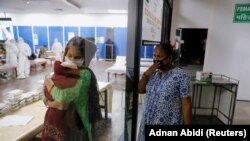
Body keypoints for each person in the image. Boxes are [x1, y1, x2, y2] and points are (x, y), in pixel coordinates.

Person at [42, 36, 102, 141]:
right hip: (61, 122)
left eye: (77, 57)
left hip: (76, 125)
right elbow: (49, 97)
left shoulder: (84, 74)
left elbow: (63, 99)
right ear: (65, 54)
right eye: (69, 55)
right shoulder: (65, 69)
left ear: (85, 58)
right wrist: (48, 101)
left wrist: (48, 83)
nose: (72, 60)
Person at [137, 43, 192, 141]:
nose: (156, 59)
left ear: (170, 58)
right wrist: (145, 75)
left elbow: (186, 104)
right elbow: (140, 90)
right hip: (147, 123)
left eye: (160, 56)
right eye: (154, 56)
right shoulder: (153, 74)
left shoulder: (181, 76)